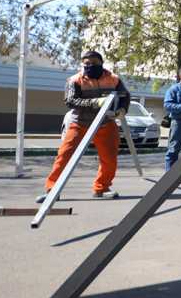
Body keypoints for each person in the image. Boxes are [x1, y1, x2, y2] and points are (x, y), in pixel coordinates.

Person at [36, 51, 130, 203]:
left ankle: (102, 188)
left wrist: (122, 110)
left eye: (93, 63)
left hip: (105, 122)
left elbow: (125, 96)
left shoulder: (113, 80)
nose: (89, 66)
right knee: (64, 155)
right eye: (86, 64)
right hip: (80, 122)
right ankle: (52, 190)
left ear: (101, 63)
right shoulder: (75, 80)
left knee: (109, 158)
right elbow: (70, 101)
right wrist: (95, 102)